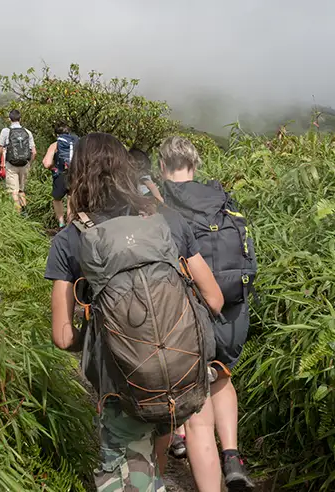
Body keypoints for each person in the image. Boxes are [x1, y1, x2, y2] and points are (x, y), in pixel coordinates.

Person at [46, 132, 227, 492]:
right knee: (164, 450)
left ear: (77, 173)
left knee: (132, 476)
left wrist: (103, 332)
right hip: (184, 378)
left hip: (123, 388)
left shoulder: (71, 239)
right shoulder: (168, 221)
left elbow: (62, 336)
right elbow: (215, 300)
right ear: (126, 169)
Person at [158, 136, 257, 491]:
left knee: (187, 381)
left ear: (162, 166)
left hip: (190, 311)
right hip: (233, 305)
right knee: (223, 377)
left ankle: (182, 437)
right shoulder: (223, 199)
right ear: (195, 165)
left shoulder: (161, 201)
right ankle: (231, 457)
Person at [0, 110, 36, 213]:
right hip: (24, 164)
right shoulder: (27, 132)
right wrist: (29, 164)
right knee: (21, 190)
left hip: (11, 164)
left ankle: (17, 215)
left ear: (9, 119)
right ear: (20, 119)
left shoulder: (6, 131)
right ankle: (25, 213)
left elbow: (0, 149)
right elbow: (34, 152)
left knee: (13, 191)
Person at [41, 123, 78, 227]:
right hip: (76, 174)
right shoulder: (77, 143)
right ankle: (70, 223)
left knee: (57, 199)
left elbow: (46, 163)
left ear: (56, 134)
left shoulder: (55, 144)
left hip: (61, 174)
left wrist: (54, 167)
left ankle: (61, 224)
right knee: (71, 197)